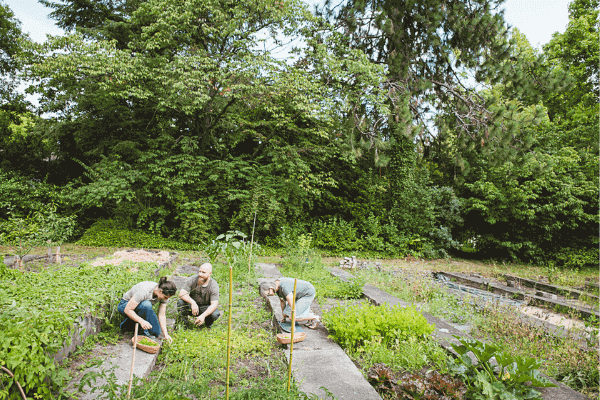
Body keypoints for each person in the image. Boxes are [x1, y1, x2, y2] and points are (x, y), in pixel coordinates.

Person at [118, 276, 176, 343]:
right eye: (165, 297)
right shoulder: (144, 290)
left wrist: (166, 334)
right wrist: (142, 321)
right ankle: (140, 329)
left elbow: (162, 315)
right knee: (146, 304)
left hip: (141, 308)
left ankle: (128, 324)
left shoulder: (165, 294)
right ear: (160, 291)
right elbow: (127, 310)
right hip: (125, 306)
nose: (166, 299)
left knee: (156, 332)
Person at [177, 263, 220, 328]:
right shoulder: (192, 279)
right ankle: (184, 324)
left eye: (203, 272)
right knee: (181, 302)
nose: (200, 274)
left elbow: (214, 304)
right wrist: (192, 302)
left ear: (210, 273)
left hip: (205, 308)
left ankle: (207, 324)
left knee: (215, 314)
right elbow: (182, 293)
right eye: (199, 271)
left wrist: (203, 315)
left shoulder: (213, 285)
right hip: (192, 307)